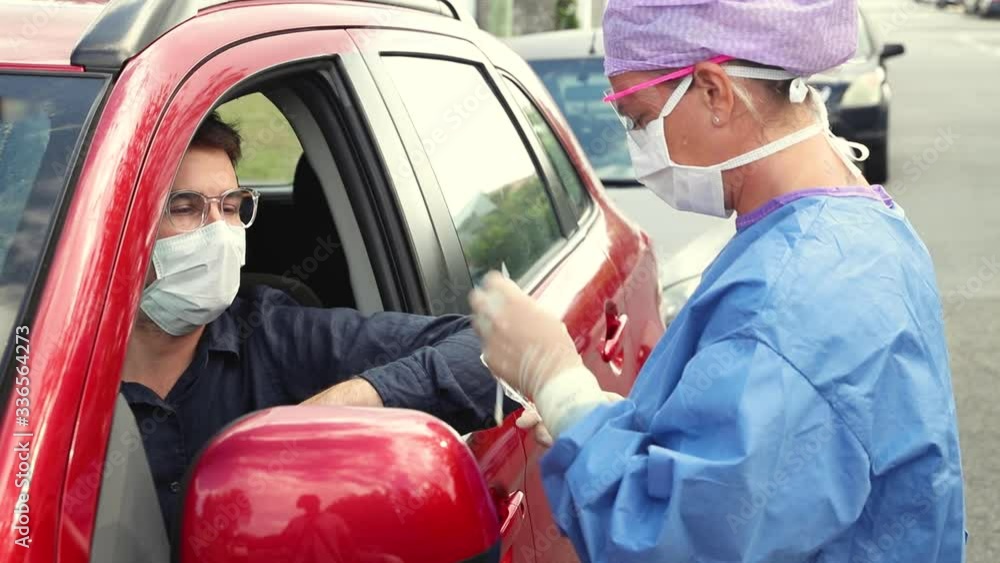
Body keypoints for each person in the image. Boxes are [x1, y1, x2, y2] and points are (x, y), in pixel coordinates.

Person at [469, 1, 967, 562]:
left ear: (713, 92)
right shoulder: (862, 228)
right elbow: (769, 465)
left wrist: (558, 383)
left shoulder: (786, 299)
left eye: (638, 118)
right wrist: (595, 420)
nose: (638, 147)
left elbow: (674, 542)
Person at [121, 112, 508, 539]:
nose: (219, 235)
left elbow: (498, 348)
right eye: (186, 208)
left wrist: (326, 414)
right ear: (118, 229)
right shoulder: (46, 365)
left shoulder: (272, 334)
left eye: (231, 208)